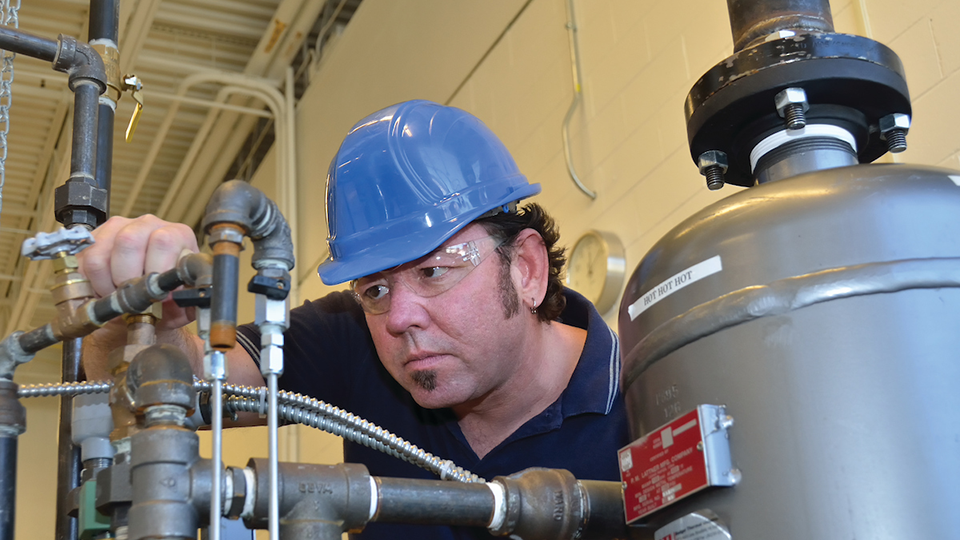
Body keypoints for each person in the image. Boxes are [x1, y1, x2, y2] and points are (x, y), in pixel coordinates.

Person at [79, 100, 628, 539]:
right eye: (376, 288)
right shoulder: (350, 337)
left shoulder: (643, 398)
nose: (399, 317)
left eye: (435, 271)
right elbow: (174, 385)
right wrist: (131, 314)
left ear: (527, 269)